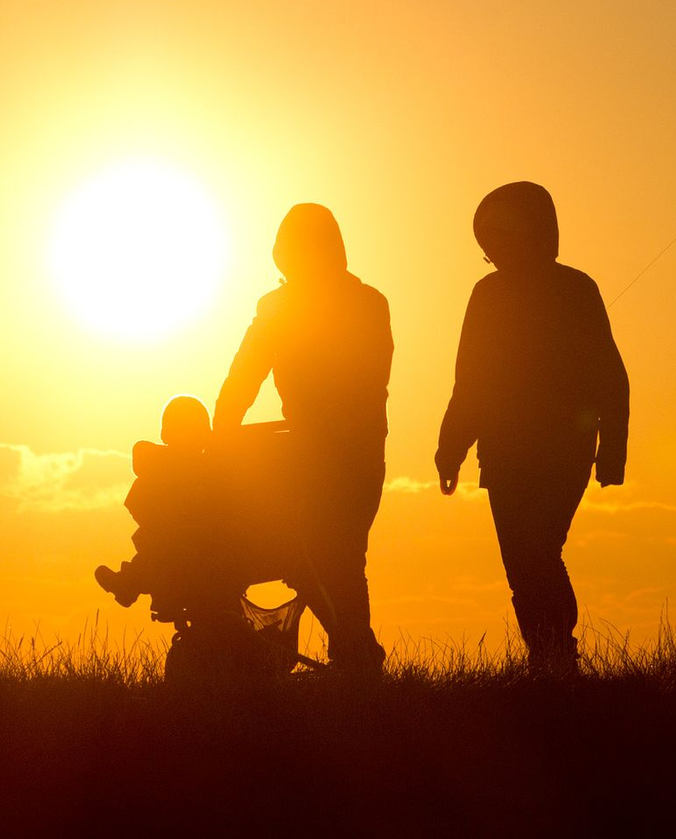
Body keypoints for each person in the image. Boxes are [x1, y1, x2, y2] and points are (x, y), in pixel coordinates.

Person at [435, 182, 630, 670]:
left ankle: (559, 654)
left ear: (536, 234)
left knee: (538, 550)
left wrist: (613, 450)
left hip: (564, 452)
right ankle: (547, 660)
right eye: (489, 248)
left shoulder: (577, 289)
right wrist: (450, 448)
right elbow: (471, 381)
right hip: (503, 456)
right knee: (523, 564)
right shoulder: (487, 294)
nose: (496, 255)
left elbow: (610, 375)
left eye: (502, 241)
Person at [214, 203, 393, 673]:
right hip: (335, 452)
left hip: (345, 452)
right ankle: (357, 658)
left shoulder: (356, 304)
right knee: (332, 557)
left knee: (327, 554)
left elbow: (369, 379)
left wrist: (223, 429)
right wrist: (224, 425)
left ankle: (358, 656)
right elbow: (244, 374)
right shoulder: (356, 303)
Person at [94, 395, 236, 622]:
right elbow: (139, 502)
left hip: (202, 541)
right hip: (181, 540)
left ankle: (129, 584)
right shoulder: (173, 469)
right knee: (159, 542)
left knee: (161, 544)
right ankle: (129, 583)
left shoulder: (206, 470)